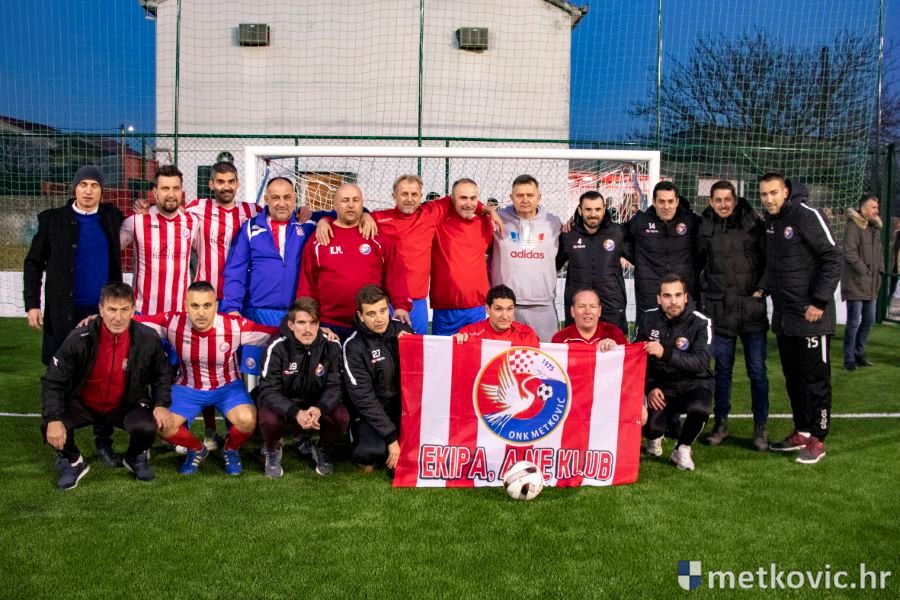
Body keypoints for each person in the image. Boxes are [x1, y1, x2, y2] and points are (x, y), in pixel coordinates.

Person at [24, 165, 126, 468]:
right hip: (63, 314)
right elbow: (33, 263)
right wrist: (32, 304)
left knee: (103, 377)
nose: (88, 190)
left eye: (94, 185)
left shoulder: (111, 216)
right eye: (83, 184)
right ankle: (65, 449)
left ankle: (103, 442)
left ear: (102, 190)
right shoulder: (52, 220)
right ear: (74, 188)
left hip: (101, 314)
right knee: (62, 378)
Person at [313, 175, 497, 334]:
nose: (409, 199)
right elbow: (349, 214)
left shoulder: (430, 214)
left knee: (417, 352)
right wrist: (324, 219)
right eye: (404, 194)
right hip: (387, 301)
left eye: (414, 194)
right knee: (387, 352)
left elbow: (462, 200)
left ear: (421, 196)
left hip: (417, 303)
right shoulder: (379, 219)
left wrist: (487, 209)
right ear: (394, 196)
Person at [41, 283, 174, 489]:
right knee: (48, 424)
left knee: (148, 426)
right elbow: (53, 380)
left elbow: (161, 374)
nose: (118, 317)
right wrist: (53, 418)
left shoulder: (147, 338)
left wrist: (161, 404)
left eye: (124, 309)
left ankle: (134, 457)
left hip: (126, 404)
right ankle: (74, 462)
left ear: (133, 310)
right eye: (112, 309)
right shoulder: (79, 338)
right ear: (101, 310)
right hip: (83, 404)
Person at [140, 281, 278, 475]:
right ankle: (196, 449)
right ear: (186, 306)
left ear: (216, 305)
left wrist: (311, 332)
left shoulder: (233, 326)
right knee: (161, 424)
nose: (201, 313)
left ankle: (230, 449)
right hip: (188, 387)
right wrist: (100, 317)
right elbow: (132, 320)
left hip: (227, 387)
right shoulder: (172, 322)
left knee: (248, 419)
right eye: (195, 306)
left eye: (207, 305)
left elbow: (274, 333)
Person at [758, 173, 842, 464]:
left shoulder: (807, 215)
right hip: (785, 318)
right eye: (764, 194)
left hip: (812, 317)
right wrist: (762, 288)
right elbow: (775, 266)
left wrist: (819, 301)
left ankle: (818, 438)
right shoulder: (771, 223)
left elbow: (833, 257)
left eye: (773, 193)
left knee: (816, 381)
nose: (769, 199)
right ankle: (803, 430)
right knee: (793, 379)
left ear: (785, 191)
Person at [696, 181, 769, 451]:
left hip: (752, 310)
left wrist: (762, 289)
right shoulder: (704, 228)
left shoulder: (754, 224)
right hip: (720, 311)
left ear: (735, 200)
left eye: (728, 199)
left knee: (757, 371)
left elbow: (770, 260)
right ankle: (721, 424)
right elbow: (697, 263)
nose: (723, 204)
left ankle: (760, 427)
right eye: (718, 200)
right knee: (722, 371)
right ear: (711, 202)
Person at [221, 177, 316, 383]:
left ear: (295, 198)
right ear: (266, 199)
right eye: (275, 198)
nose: (281, 203)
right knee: (255, 376)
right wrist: (232, 307)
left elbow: (341, 214)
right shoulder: (250, 228)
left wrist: (324, 218)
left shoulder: (309, 226)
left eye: (287, 197)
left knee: (293, 376)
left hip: (294, 315)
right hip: (257, 314)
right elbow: (235, 271)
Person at [299, 183, 411, 339]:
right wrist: (308, 318)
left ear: (362, 203)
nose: (351, 205)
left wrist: (401, 306)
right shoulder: (319, 239)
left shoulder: (378, 238)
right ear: (335, 204)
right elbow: (307, 284)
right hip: (329, 325)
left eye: (356, 200)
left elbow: (395, 276)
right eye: (345, 200)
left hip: (370, 324)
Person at [257, 297, 348, 478]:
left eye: (313, 323)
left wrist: (320, 408)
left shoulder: (331, 345)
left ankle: (322, 449)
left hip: (315, 401)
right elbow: (268, 389)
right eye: (301, 323)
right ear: (291, 324)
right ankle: (273, 450)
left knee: (341, 416)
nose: (308, 329)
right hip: (285, 400)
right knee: (268, 419)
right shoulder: (277, 346)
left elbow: (335, 387)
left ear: (319, 324)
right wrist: (295, 412)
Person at [636, 275, 713, 471]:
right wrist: (650, 387)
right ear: (659, 299)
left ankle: (682, 448)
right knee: (651, 428)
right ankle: (654, 438)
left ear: (686, 297)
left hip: (694, 383)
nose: (673, 301)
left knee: (700, 409)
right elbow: (637, 358)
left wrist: (665, 352)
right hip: (663, 387)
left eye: (678, 295)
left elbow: (700, 363)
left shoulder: (701, 322)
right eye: (667, 296)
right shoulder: (648, 318)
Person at [342, 285, 414, 473]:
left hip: (402, 408)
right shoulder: (353, 346)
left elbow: (423, 371)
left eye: (383, 311)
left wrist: (411, 346)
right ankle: (359, 435)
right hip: (372, 411)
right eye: (371, 314)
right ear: (360, 316)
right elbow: (363, 398)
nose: (379, 319)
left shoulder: (404, 331)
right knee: (369, 456)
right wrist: (391, 439)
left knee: (417, 450)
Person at [488, 175, 562, 341]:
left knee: (545, 353)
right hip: (506, 304)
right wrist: (488, 210)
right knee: (504, 353)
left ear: (539, 197)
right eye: (519, 195)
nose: (525, 200)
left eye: (530, 195)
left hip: (543, 303)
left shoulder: (554, 223)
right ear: (511, 197)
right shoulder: (498, 219)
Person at [120, 165, 198, 314]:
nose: (171, 194)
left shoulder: (193, 221)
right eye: (165, 188)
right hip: (144, 312)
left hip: (180, 313)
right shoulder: (136, 220)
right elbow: (110, 251)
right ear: (155, 192)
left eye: (176, 188)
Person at [626, 181, 702, 330]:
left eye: (670, 201)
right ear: (654, 202)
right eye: (661, 201)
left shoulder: (692, 221)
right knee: (649, 338)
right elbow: (616, 236)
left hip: (683, 291)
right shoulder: (640, 222)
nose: (666, 206)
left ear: (677, 202)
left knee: (685, 338)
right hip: (649, 292)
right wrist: (641, 262)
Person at [557, 191, 631, 335]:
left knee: (613, 346)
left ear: (604, 209)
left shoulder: (618, 233)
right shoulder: (569, 235)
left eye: (597, 209)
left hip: (611, 305)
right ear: (580, 210)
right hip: (580, 307)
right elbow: (553, 264)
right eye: (588, 209)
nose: (593, 214)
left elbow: (641, 258)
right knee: (579, 347)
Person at [430, 179, 496, 335]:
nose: (469, 203)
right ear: (452, 199)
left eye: (473, 198)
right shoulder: (438, 222)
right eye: (463, 198)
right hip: (446, 307)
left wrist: (487, 211)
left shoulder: (486, 222)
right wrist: (485, 208)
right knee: (443, 350)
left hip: (476, 306)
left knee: (474, 350)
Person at [840, 194, 883, 371]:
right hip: (855, 283)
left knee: (869, 320)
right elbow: (849, 253)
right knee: (853, 323)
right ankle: (849, 358)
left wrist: (879, 270)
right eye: (873, 207)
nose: (876, 211)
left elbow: (879, 253)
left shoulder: (874, 228)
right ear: (863, 208)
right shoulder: (853, 226)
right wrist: (865, 271)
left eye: (877, 208)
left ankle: (859, 353)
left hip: (871, 284)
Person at [454, 284, 540, 345]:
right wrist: (454, 341)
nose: (505, 316)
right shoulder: (468, 334)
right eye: (498, 309)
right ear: (487, 309)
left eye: (509, 309)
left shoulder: (526, 334)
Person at [551, 288, 627, 350]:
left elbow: (628, 359)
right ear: (573, 311)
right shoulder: (560, 338)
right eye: (582, 306)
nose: (588, 312)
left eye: (592, 306)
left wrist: (616, 348)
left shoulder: (614, 333)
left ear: (599, 311)